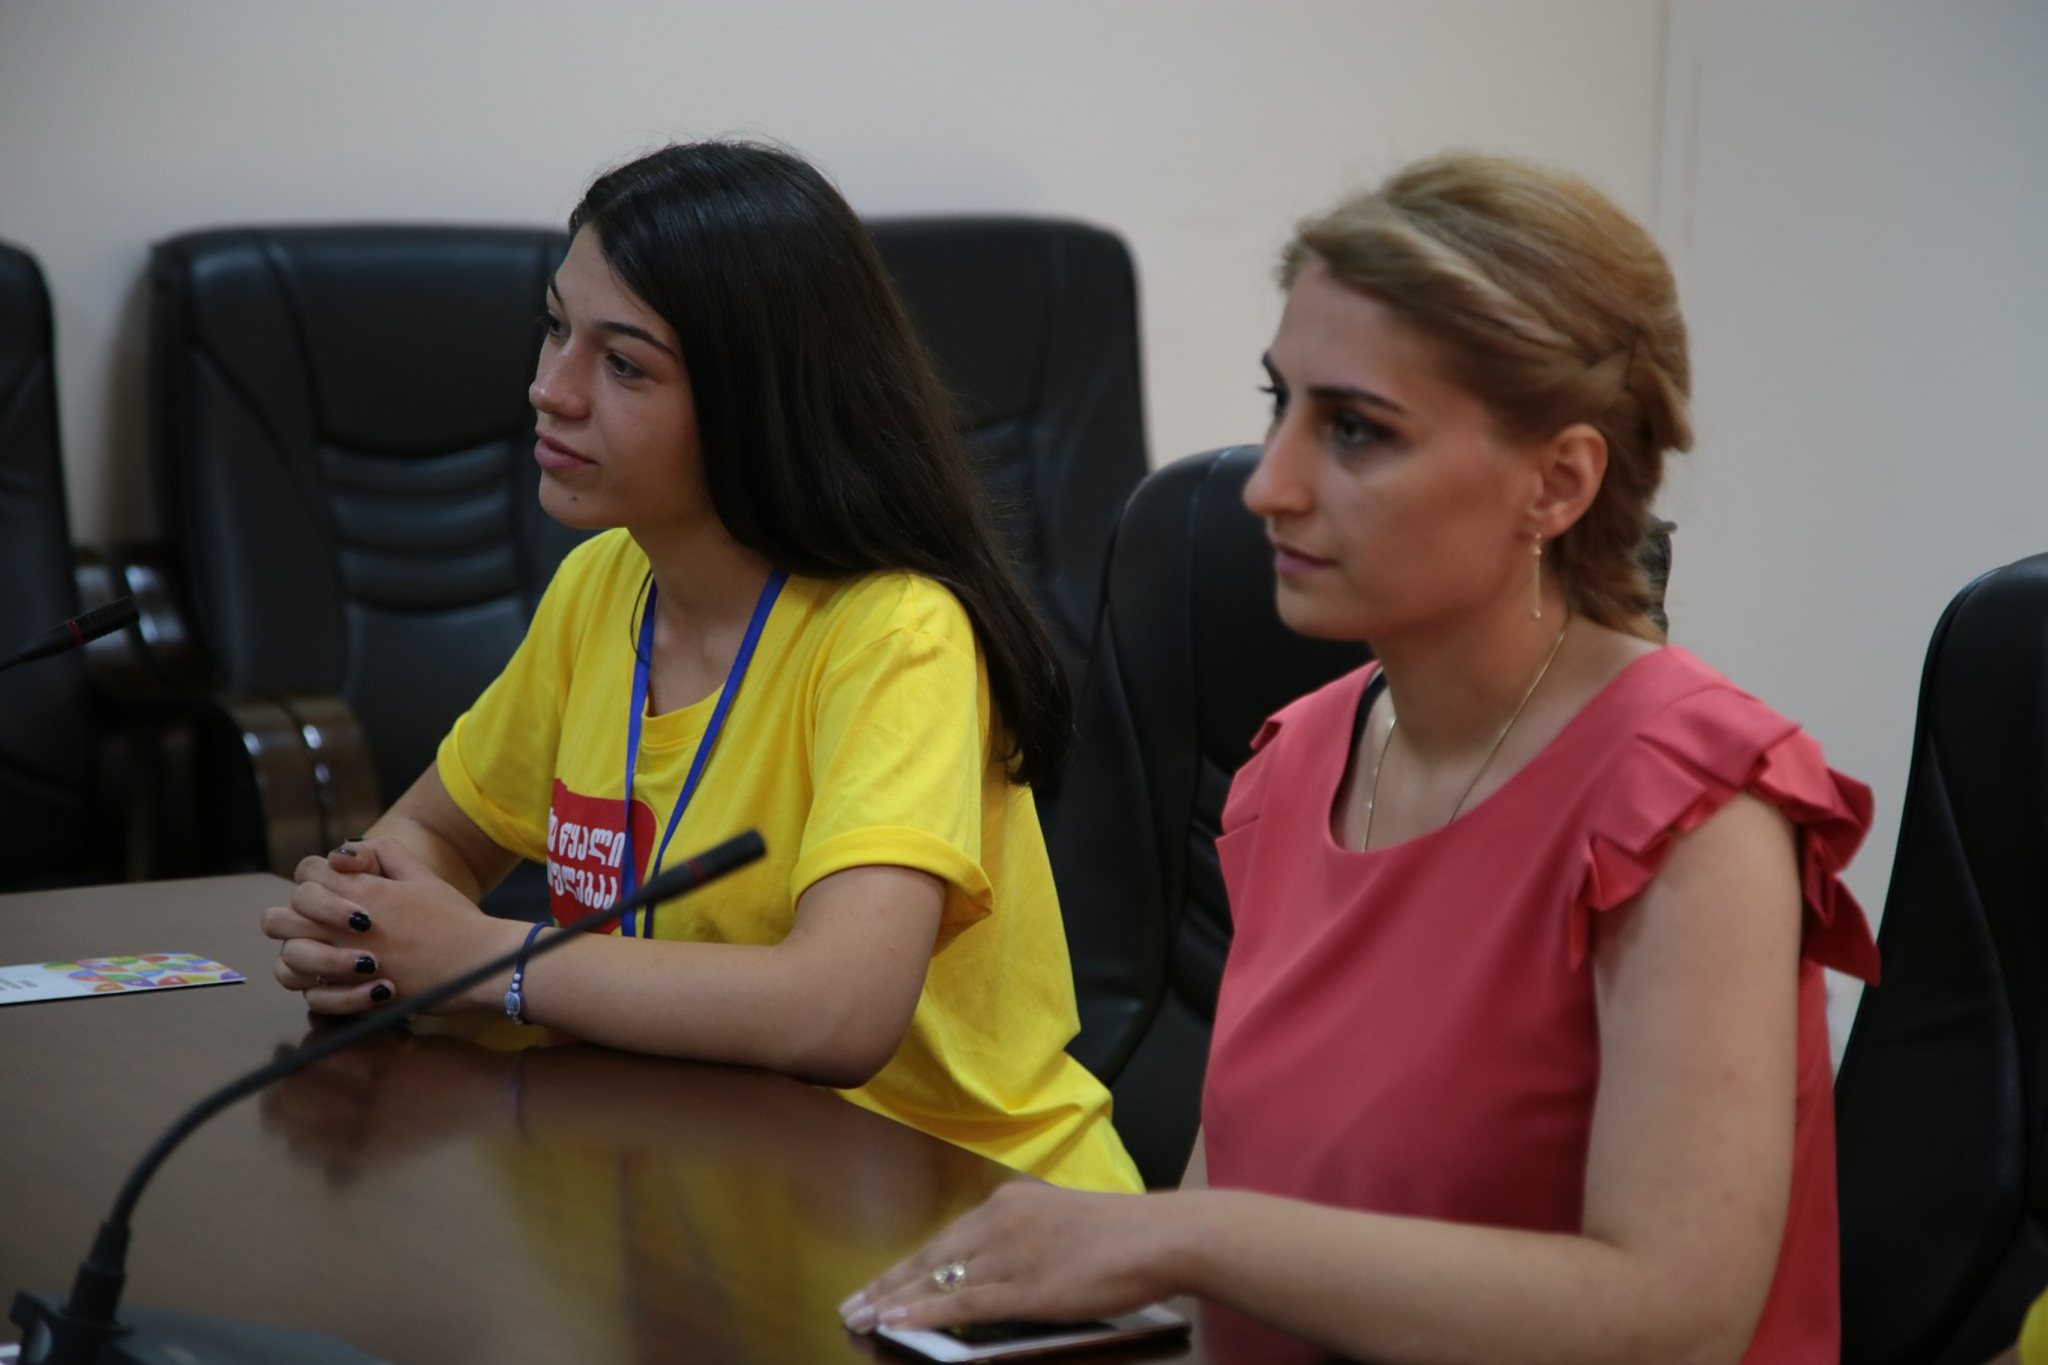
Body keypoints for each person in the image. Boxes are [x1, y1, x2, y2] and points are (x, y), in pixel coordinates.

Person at [842, 152, 1880, 1361]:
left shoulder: (1694, 804)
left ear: (1556, 483)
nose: (1269, 487)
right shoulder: (1295, 762)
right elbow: (1223, 1250)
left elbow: (1670, 1317)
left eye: (1352, 431)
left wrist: (1180, 1241)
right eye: (1276, 404)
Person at [257, 140, 1140, 1196]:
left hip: (957, 1207)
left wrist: (485, 960)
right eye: (555, 327)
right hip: (703, 1172)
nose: (549, 389)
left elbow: (837, 1012)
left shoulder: (896, 633)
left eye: (624, 365)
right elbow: (438, 836)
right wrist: (365, 927)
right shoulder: (602, 586)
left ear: (758, 402)